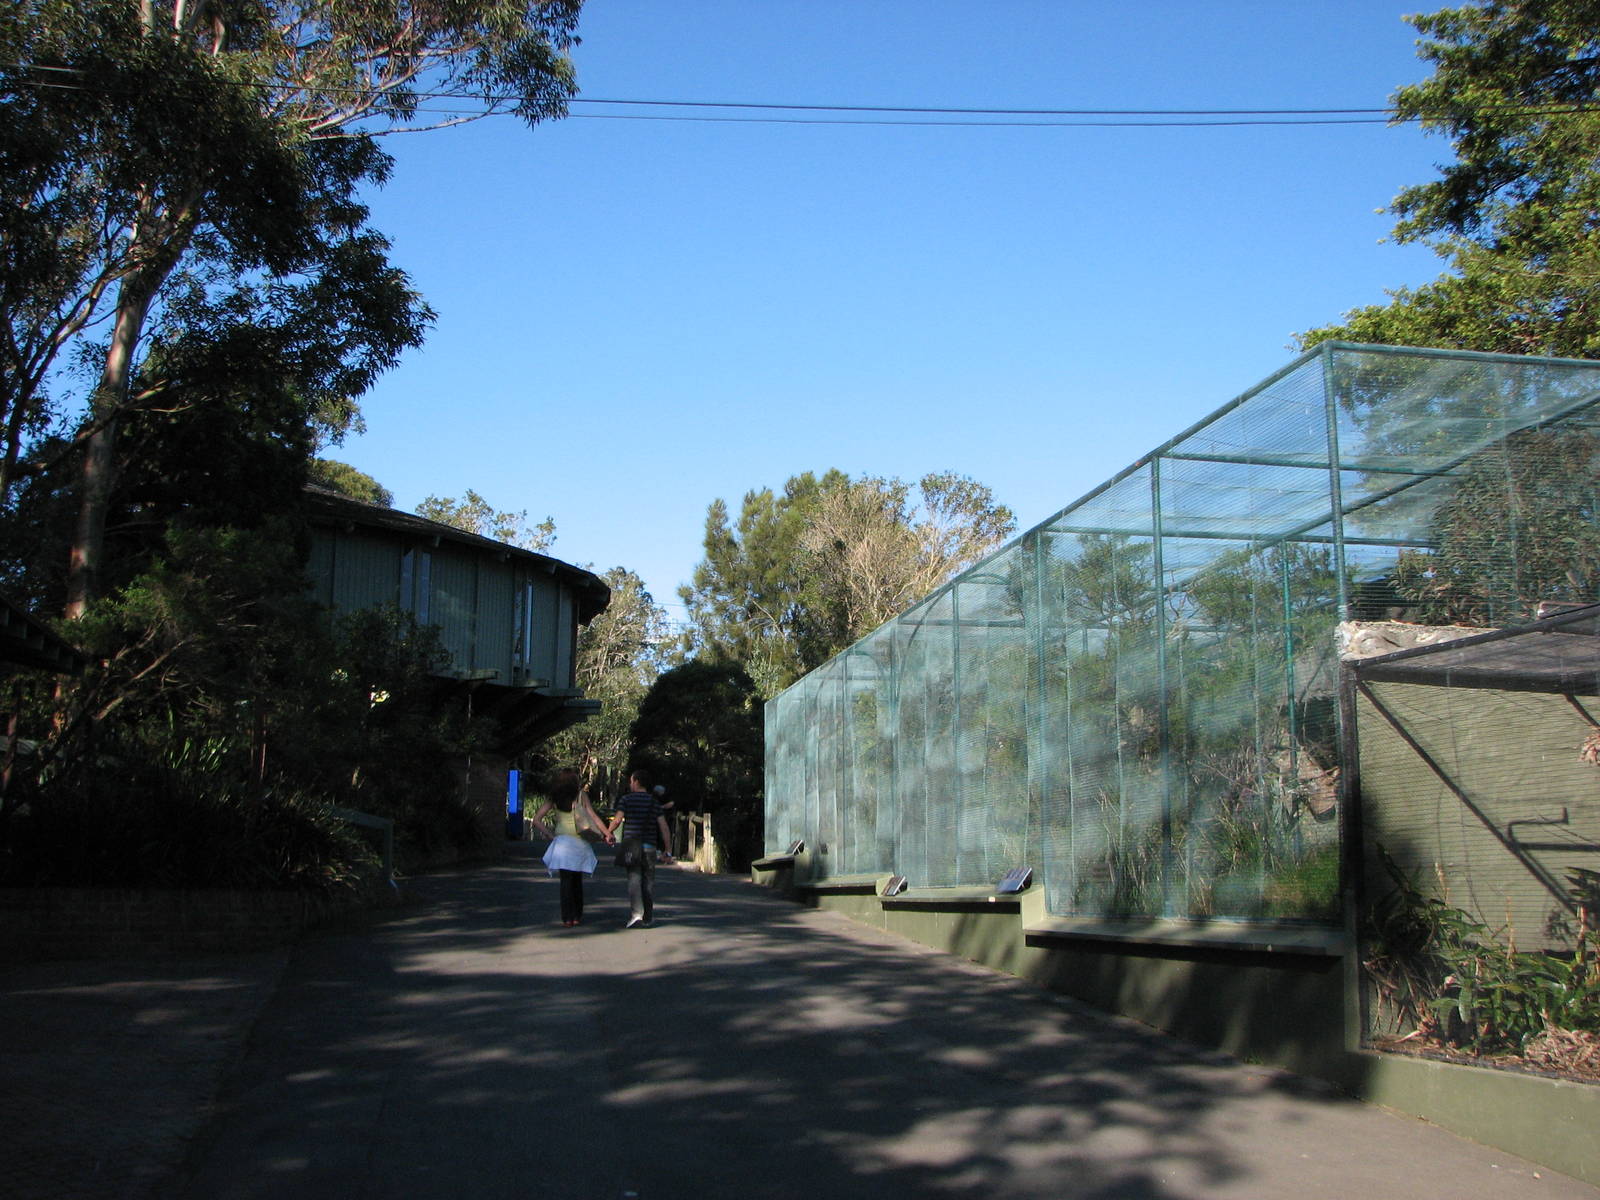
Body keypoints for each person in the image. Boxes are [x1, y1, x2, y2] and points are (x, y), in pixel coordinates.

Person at [531, 768, 613, 927]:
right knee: (577, 881)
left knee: (565, 882)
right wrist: (607, 833)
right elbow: (593, 817)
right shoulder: (581, 795)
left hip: (562, 843)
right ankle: (577, 915)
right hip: (579, 843)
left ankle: (567, 918)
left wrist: (549, 835)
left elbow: (536, 820)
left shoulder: (554, 797)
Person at [607, 769, 673, 928]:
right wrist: (668, 850)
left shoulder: (626, 800)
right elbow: (663, 827)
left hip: (632, 846)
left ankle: (637, 913)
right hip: (650, 847)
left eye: (631, 781)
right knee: (648, 882)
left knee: (634, 879)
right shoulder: (654, 802)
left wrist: (608, 832)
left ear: (636, 781)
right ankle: (648, 917)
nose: (630, 784)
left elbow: (617, 820)